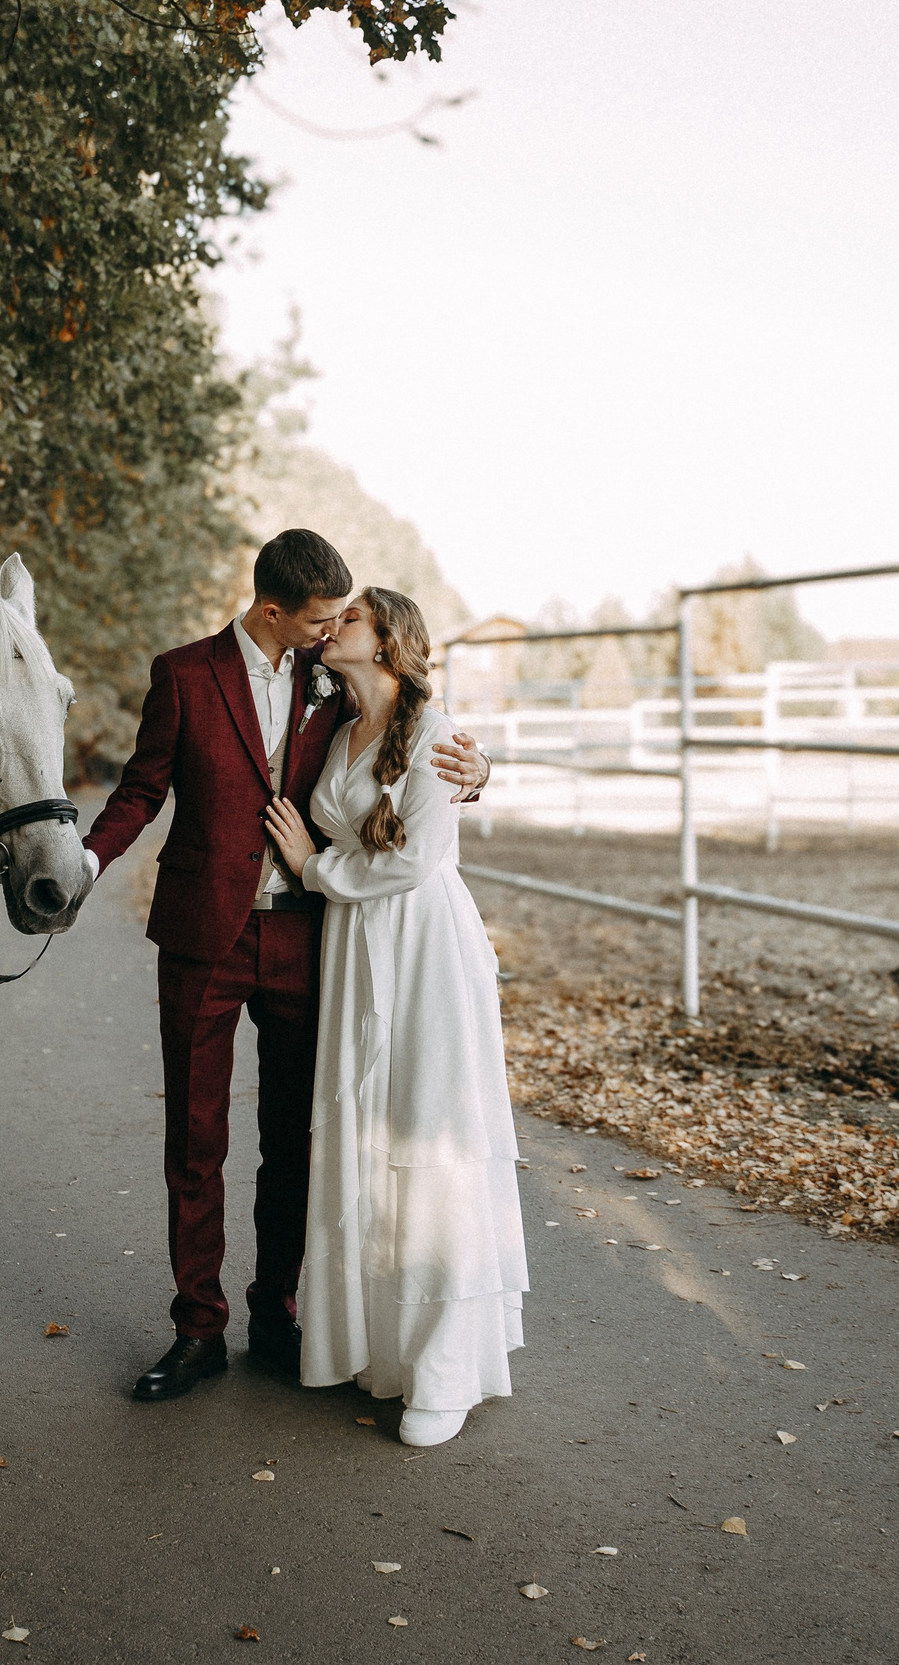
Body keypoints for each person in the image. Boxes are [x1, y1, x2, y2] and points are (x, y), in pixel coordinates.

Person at [82, 532, 492, 1402]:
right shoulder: (185, 675)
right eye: (317, 618)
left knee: (296, 1142)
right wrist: (87, 861)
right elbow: (142, 788)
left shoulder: (333, 681)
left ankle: (277, 1314)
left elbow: (411, 729)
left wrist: (480, 770)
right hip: (204, 936)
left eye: (341, 619)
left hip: (311, 937)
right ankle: (197, 1329)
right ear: (272, 611)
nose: (330, 628)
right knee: (195, 1141)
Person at [262, 587, 528, 1448]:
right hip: (354, 948)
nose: (332, 626)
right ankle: (380, 1348)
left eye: (352, 619)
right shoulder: (340, 732)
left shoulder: (441, 738)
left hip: (423, 952)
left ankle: (446, 1368)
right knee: (366, 1134)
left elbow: (416, 861)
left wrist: (312, 868)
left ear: (388, 643)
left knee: (430, 1134)